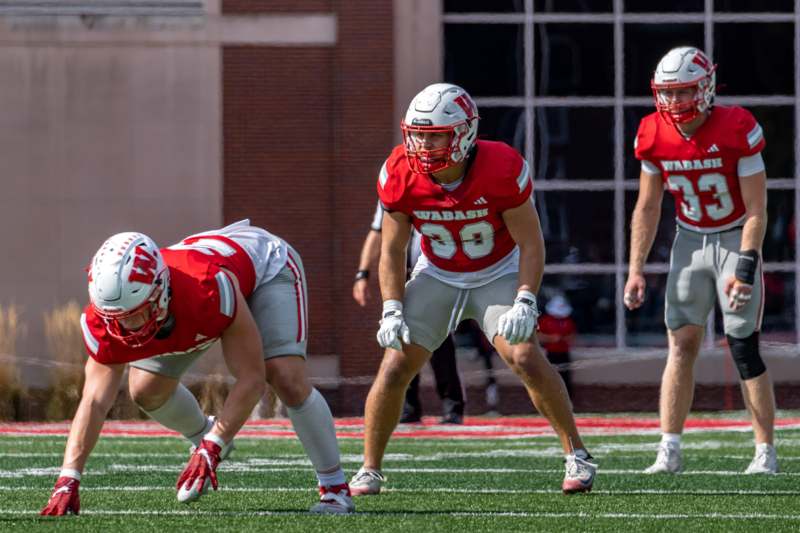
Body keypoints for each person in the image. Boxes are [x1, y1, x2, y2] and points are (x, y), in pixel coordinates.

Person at [348, 83, 596, 496]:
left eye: (434, 135)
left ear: (463, 134)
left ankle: (578, 454)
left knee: (525, 356)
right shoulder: (400, 172)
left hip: (495, 269)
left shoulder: (500, 167)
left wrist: (525, 298)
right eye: (417, 134)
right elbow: (391, 251)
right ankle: (369, 468)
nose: (423, 145)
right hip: (438, 272)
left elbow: (531, 243)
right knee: (394, 366)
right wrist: (391, 307)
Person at [40, 220, 354, 516]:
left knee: (285, 377)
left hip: (265, 268)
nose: (127, 328)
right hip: (194, 299)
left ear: (160, 290)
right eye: (117, 318)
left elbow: (252, 378)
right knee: (145, 390)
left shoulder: (206, 287)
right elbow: (94, 401)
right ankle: (201, 431)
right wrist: (69, 476)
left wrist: (212, 448)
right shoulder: (107, 319)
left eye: (136, 315)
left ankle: (334, 486)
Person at [625, 46, 777, 474]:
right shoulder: (652, 132)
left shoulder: (736, 126)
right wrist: (636, 269)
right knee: (682, 344)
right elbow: (648, 207)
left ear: (706, 87)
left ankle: (764, 450)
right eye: (667, 93)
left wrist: (746, 263)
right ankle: (668, 448)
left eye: (684, 91)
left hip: (733, 236)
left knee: (744, 346)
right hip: (689, 240)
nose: (674, 102)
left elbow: (756, 210)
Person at [353, 201, 465, 424]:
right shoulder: (394, 189)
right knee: (400, 339)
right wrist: (362, 273)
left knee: (440, 340)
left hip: (434, 274)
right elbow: (377, 231)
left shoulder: (439, 190)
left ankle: (452, 406)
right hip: (401, 277)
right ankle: (408, 407)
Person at [537, 295, 577, 397]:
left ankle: (567, 397)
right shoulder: (545, 320)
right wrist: (551, 338)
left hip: (564, 352)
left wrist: (564, 338)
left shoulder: (568, 321)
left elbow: (572, 336)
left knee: (565, 376)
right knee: (550, 375)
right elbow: (538, 336)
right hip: (550, 353)